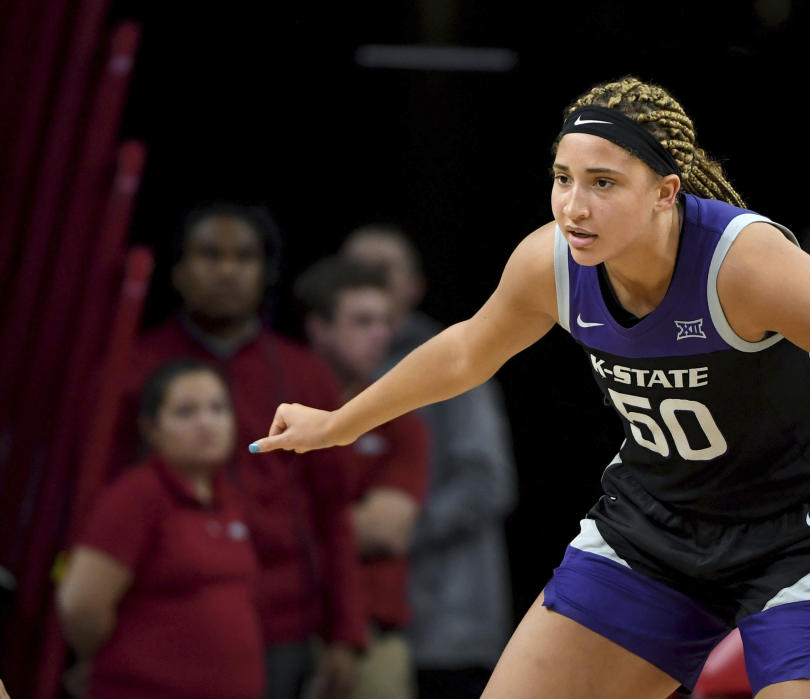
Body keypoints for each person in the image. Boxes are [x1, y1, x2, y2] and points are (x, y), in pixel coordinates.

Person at [253, 77, 810, 698]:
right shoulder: (551, 263)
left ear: (666, 193)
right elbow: (465, 353)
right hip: (655, 527)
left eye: (602, 183)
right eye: (561, 178)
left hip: (799, 534)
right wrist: (340, 421)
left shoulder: (749, 266)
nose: (572, 205)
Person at [119, 203, 367, 699]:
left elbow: (333, 513)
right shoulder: (131, 370)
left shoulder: (305, 375)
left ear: (265, 272)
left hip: (283, 626)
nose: (228, 270)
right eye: (211, 255)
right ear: (180, 272)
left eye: (244, 257)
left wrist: (346, 634)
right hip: (161, 624)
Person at [342, 227, 517, 698]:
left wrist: (393, 532)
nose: (370, 282)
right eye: (357, 272)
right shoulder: (323, 370)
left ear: (414, 286)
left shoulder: (456, 360)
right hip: (355, 622)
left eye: (382, 272)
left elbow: (487, 483)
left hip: (447, 623)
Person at [59, 360, 264, 699]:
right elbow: (80, 604)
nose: (207, 423)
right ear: (152, 429)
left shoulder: (229, 498)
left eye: (218, 408)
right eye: (186, 412)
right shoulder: (135, 497)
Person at [295, 257, 432, 699]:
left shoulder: (399, 419)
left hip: (374, 633)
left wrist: (288, 532)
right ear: (319, 328)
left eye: (385, 321)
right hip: (283, 623)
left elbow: (387, 528)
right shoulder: (280, 409)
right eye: (362, 321)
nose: (382, 333)